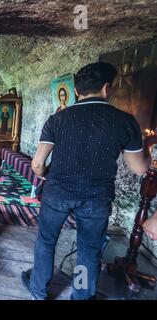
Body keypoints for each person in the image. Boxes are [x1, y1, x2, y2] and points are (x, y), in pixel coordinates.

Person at [21, 62, 154, 300]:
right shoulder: (124, 121)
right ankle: (81, 295)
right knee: (88, 249)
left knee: (46, 241)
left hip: (57, 193)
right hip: (96, 198)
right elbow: (139, 168)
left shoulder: (58, 119)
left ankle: (39, 290)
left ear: (75, 92)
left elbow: (37, 163)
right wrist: (146, 148)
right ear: (106, 88)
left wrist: (43, 175)